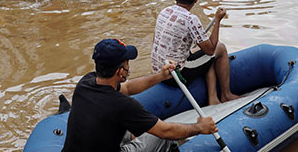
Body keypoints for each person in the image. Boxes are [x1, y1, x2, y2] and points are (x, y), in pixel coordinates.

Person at [61, 38, 218, 152]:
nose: (129, 66)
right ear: (120, 71)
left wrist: (161, 76)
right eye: (127, 63)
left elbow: (128, 88)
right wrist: (200, 127)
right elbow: (165, 131)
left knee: (132, 130)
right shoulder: (122, 105)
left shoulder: (85, 82)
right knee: (159, 137)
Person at [151, 0, 239, 106]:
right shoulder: (191, 19)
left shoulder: (165, 11)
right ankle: (226, 94)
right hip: (175, 75)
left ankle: (213, 98)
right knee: (220, 48)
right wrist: (217, 20)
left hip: (158, 69)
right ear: (196, 0)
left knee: (201, 52)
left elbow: (156, 40)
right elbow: (211, 50)